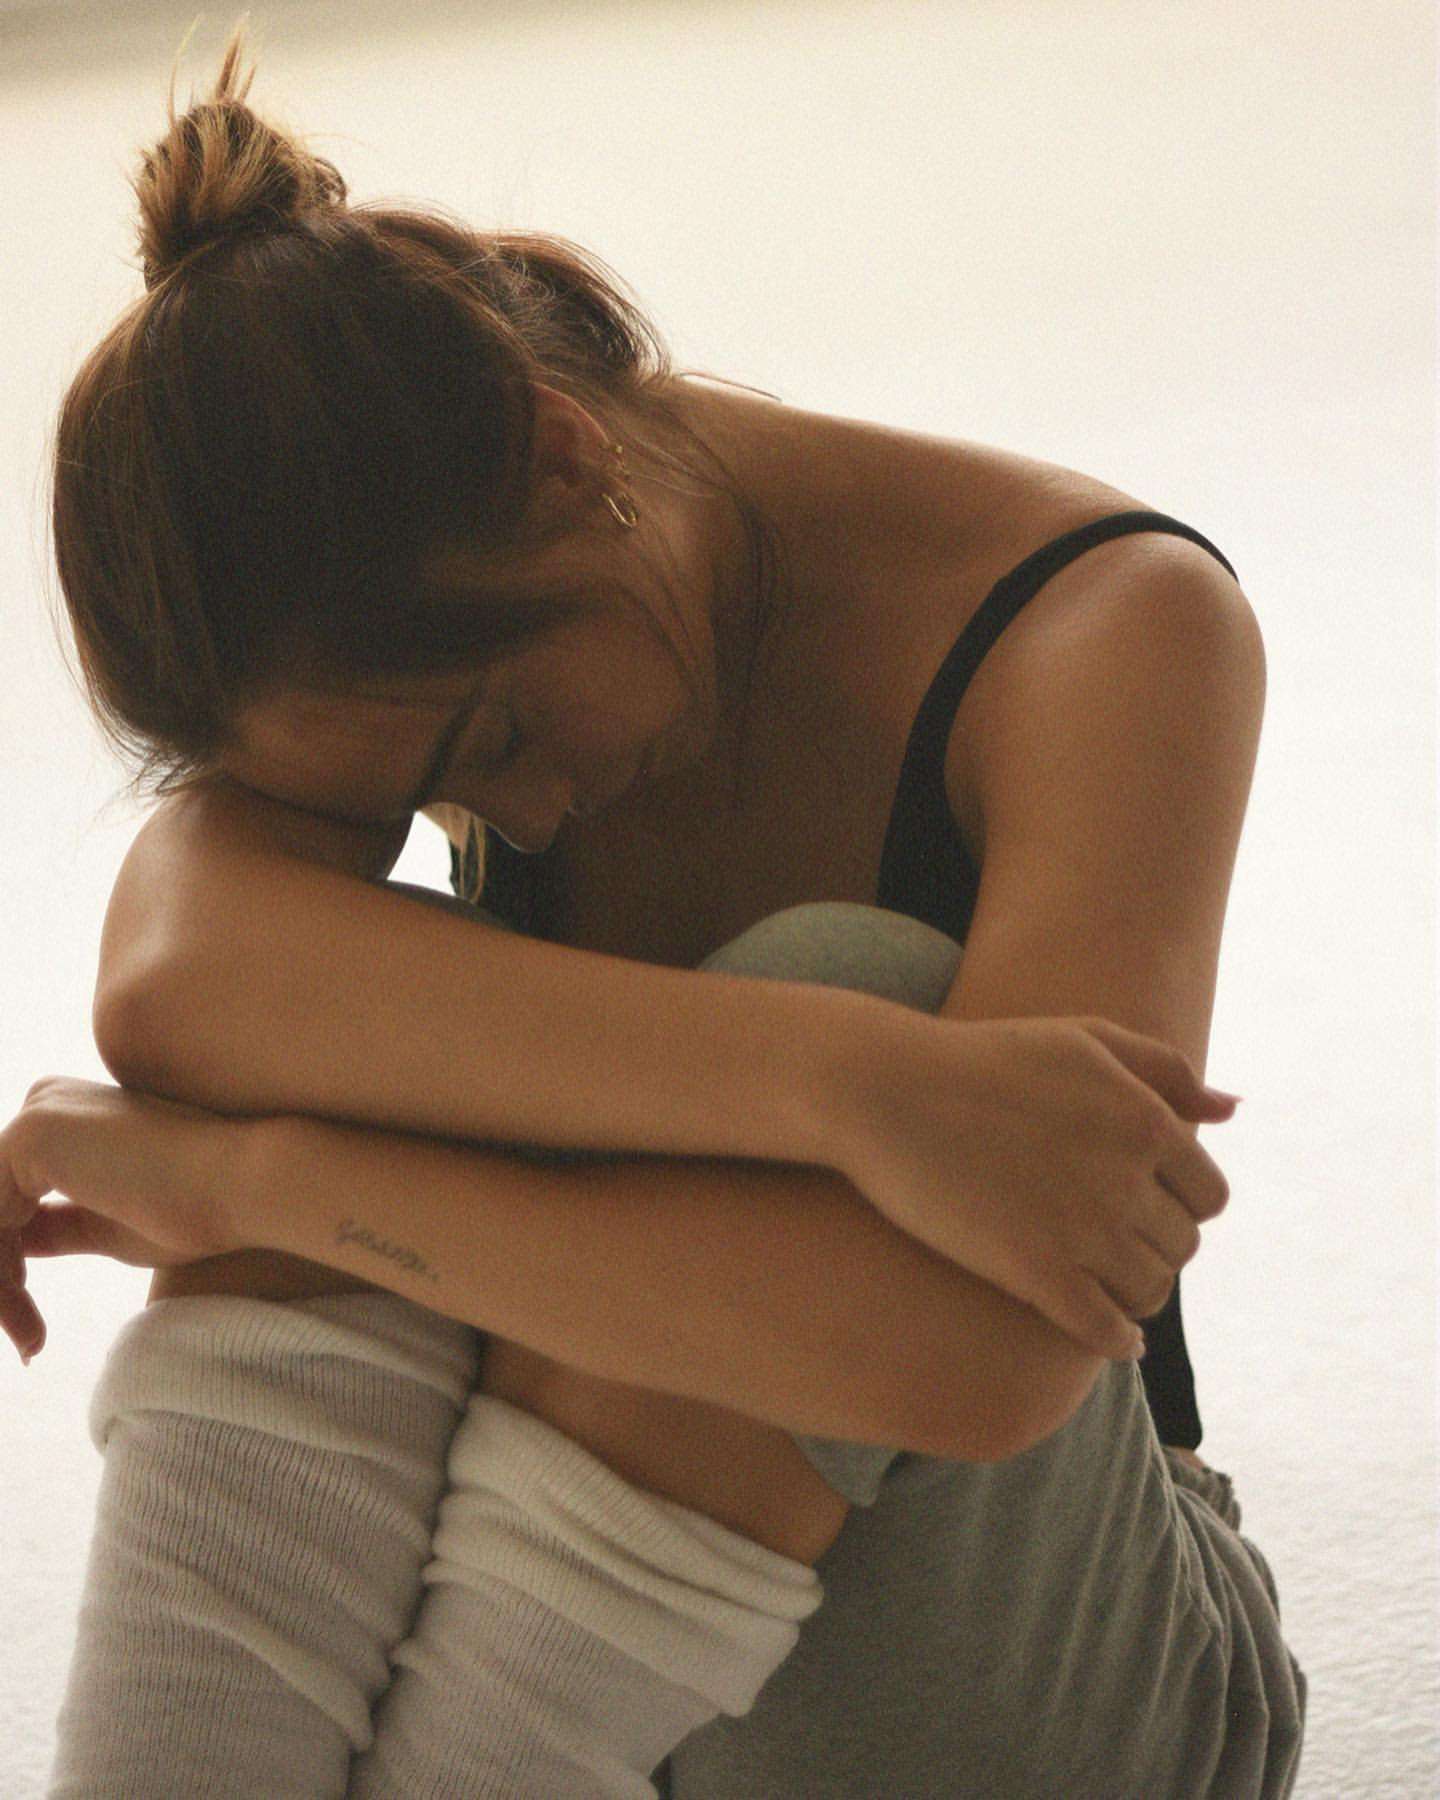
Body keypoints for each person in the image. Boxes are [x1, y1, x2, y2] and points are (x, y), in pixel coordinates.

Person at [25, 17, 1305, 1795]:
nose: (507, 814)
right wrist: (849, 1092)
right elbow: (181, 983)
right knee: (342, 1047)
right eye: (428, 802)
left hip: (1059, 1686)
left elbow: (985, 1361)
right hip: (615, 1661)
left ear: (563, 457)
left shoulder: (1112, 627)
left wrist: (255, 1184)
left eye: (492, 739)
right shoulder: (383, 629)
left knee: (837, 974)